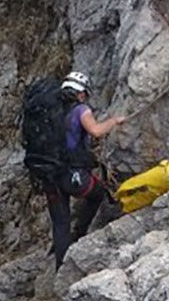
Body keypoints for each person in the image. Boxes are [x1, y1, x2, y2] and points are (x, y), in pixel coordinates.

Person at [42, 71, 125, 269]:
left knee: (60, 223)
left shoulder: (50, 110)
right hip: (74, 177)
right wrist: (114, 121)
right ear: (80, 94)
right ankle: (80, 234)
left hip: (50, 176)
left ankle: (60, 268)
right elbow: (95, 130)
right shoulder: (81, 110)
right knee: (98, 194)